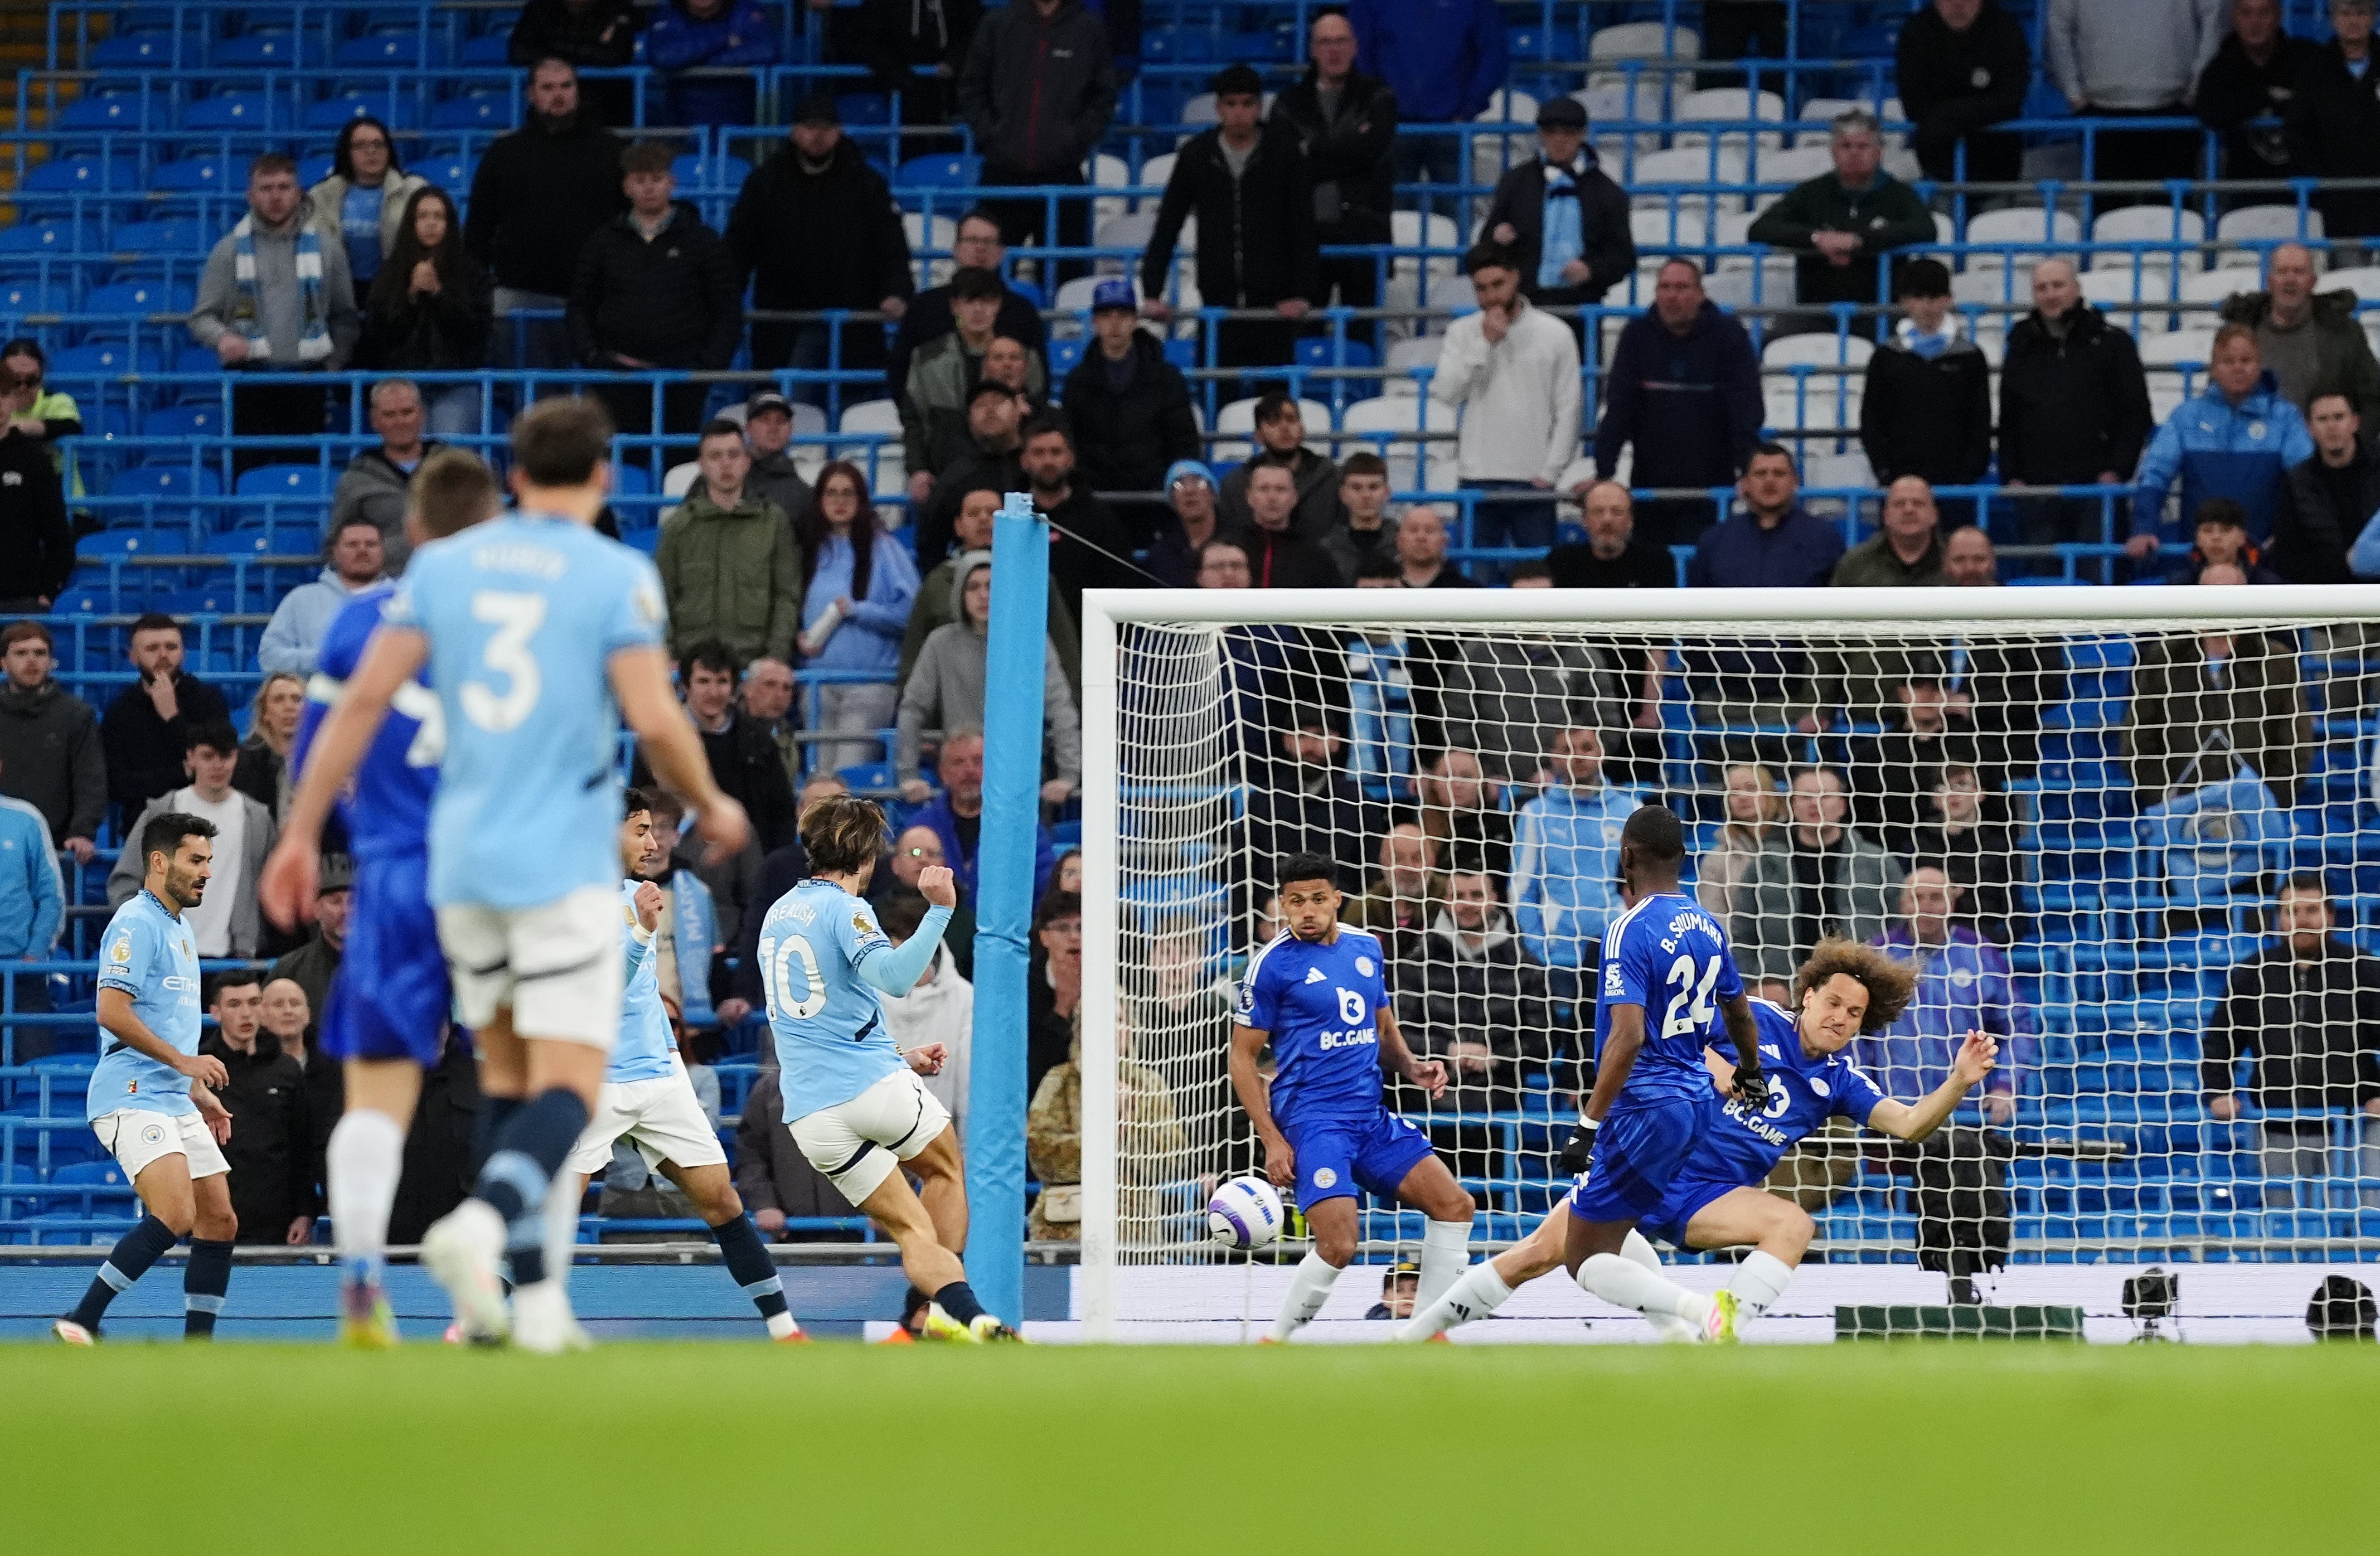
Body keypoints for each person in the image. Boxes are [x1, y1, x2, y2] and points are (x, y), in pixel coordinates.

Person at [260, 396, 754, 1353]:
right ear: (604, 475)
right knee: (566, 1084)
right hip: (557, 862)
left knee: (504, 1078)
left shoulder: (446, 569)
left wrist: (301, 830)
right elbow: (655, 716)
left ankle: (526, 1310)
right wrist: (711, 799)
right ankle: (485, 1231)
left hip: (453, 865)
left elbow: (360, 702)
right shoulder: (613, 572)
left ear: (517, 477)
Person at [1407, 941, 1998, 1341]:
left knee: (1792, 1225)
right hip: (1646, 1161)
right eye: (1833, 1002)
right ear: (1808, 995)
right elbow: (1671, 1034)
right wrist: (1725, 1072)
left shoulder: (1839, 1081)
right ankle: (1414, 1337)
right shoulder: (1754, 1018)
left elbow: (1910, 1124)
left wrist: (1959, 1080)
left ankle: (1721, 1331)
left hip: (1708, 1195)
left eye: (1854, 1013)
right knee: (1534, 1256)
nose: (1840, 1017)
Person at [270, 449, 470, 1347]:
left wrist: (307, 832)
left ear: (412, 529)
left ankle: (359, 1272)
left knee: (376, 1095)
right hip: (498, 874)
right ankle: (503, 1286)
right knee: (532, 1081)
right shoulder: (526, 616)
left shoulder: (361, 620)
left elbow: (317, 751)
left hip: (395, 877)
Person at [757, 796, 1016, 1338]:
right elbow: (896, 978)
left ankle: (956, 1319)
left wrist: (902, 1055)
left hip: (812, 1115)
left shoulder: (777, 914)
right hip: (871, 1086)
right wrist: (939, 909)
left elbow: (817, 1027)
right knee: (945, 1171)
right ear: (868, 856)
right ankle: (937, 1313)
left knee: (913, 1231)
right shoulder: (847, 908)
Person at [561, 791, 806, 1337]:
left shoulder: (637, 895)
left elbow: (641, 991)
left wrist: (671, 1056)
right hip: (596, 1081)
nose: (653, 843)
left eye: (653, 830)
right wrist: (642, 932)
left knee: (722, 1201)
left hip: (660, 1078)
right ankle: (477, 1324)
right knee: (552, 1218)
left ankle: (786, 1329)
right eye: (640, 830)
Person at [1232, 852, 1476, 1342]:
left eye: (1317, 899)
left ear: (1337, 899)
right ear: (1282, 903)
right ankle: (1273, 1340)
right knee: (1339, 1244)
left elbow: (1380, 1023)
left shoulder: (1366, 947)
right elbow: (1242, 1058)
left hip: (1369, 1116)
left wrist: (1410, 1065)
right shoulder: (1271, 966)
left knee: (1455, 1205)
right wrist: (1272, 1140)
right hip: (1314, 1121)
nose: (1307, 911)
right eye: (1295, 901)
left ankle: (1429, 1334)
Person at [52, 811, 238, 1344]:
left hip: (172, 1095)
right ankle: (82, 1319)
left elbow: (167, 1021)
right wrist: (185, 1064)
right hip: (130, 1091)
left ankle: (197, 1351)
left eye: (209, 861)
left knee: (219, 1219)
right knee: (175, 1212)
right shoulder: (136, 922)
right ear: (159, 861)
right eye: (195, 860)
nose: (206, 872)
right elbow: (111, 1011)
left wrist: (195, 1088)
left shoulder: (179, 926)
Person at [1865, 865, 2035, 1301]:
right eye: (1917, 897)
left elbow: (2016, 1024)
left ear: (1952, 901)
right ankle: (1962, 1264)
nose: (1926, 907)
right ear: (1902, 903)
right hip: (1894, 1115)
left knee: (1961, 1150)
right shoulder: (1877, 956)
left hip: (1968, 1114)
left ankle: (1961, 1263)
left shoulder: (1979, 954)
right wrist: (1862, 1094)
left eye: (1935, 897)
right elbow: (1855, 1035)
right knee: (1950, 1154)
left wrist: (2005, 1084)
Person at [2201, 875, 2380, 1204]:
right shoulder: (2253, 973)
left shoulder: (2364, 969)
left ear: (2331, 915)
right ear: (2279, 918)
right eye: (2292, 911)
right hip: (2277, 1130)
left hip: (2352, 1130)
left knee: (2353, 1227)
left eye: (2312, 910)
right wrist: (2218, 1091)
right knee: (2285, 1227)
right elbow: (2220, 1039)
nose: (2302, 920)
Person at [726, 96, 914, 398]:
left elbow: (890, 245)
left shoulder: (866, 183)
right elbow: (739, 247)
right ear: (795, 132)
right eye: (810, 127)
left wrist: (896, 291)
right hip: (784, 318)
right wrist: (727, 297)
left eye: (826, 127)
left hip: (854, 319)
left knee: (858, 406)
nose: (818, 135)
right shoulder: (764, 183)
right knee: (784, 407)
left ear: (839, 132)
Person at [1140, 62, 1318, 376]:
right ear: (1219, 108)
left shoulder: (1285, 153)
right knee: (1218, 396)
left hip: (1274, 310)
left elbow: (1303, 225)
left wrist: (1302, 293)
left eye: (1247, 104)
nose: (1239, 113)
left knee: (1273, 398)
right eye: (1231, 104)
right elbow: (1168, 223)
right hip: (1217, 306)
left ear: (1259, 107)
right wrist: (1152, 291)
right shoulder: (1196, 155)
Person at [568, 140, 743, 447]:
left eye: (657, 179)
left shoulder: (702, 241)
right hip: (618, 378)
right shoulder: (602, 243)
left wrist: (708, 366)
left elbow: (727, 309)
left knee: (679, 459)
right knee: (625, 460)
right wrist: (594, 358)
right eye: (640, 180)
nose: (649, 188)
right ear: (627, 187)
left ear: (672, 183)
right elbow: (580, 305)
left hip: (684, 379)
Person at [189, 153, 361, 466]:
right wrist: (223, 338)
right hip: (248, 380)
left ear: (298, 193)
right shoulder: (228, 251)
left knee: (302, 474)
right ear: (250, 195)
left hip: (307, 381)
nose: (276, 197)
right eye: (266, 188)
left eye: (284, 187)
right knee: (247, 473)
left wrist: (334, 364)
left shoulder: (327, 248)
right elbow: (202, 318)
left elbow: (345, 317)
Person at [463, 59, 628, 367]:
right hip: (520, 297)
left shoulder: (614, 152)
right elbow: (478, 231)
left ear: (578, 90)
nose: (558, 95)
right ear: (531, 94)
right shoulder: (503, 154)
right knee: (528, 396)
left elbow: (630, 223)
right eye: (548, 87)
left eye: (566, 86)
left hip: (597, 300)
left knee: (593, 397)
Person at [1591, 259, 1765, 551]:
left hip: (1712, 488)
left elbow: (1746, 411)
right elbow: (1619, 410)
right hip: (1649, 487)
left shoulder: (1730, 336)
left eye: (1682, 288)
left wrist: (1747, 471)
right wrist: (1604, 474)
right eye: (1665, 287)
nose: (1673, 296)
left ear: (1700, 294)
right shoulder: (1636, 336)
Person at [1429, 241, 1582, 568]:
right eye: (1481, 289)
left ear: (1516, 277)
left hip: (1534, 481)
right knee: (1474, 585)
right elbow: (1446, 393)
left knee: (1539, 584)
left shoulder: (1556, 333)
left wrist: (1550, 473)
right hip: (1476, 477)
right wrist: (1484, 343)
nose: (1490, 297)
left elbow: (1569, 409)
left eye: (1498, 284)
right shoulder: (1462, 332)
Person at [895, 553, 1083, 806]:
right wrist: (908, 774)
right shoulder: (940, 642)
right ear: (961, 594)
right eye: (973, 587)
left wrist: (1068, 775)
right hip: (960, 779)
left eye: (992, 586)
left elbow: (1060, 708)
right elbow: (913, 708)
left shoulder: (1032, 641)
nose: (983, 595)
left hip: (1020, 780)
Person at [1997, 258, 2154, 549]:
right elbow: (2009, 418)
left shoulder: (2114, 343)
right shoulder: (2020, 346)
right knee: (2038, 575)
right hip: (2036, 493)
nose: (2050, 294)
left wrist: (2117, 470)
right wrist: (2013, 476)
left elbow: (2135, 413)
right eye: (2042, 288)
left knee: (2097, 575)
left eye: (2058, 285)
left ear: (2077, 288)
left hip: (2098, 491)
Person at [958, 0, 1116, 283]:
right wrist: (993, 135)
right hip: (1002, 174)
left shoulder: (1088, 28)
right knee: (986, 281)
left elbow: (1103, 95)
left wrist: (1075, 140)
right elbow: (971, 87)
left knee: (1066, 279)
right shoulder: (997, 24)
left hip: (1063, 174)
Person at [2123, 578, 2313, 805]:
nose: (2220, 606)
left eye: (2229, 597)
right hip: (2178, 809)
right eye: (2212, 596)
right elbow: (2138, 741)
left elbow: (2295, 744)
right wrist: (2165, 798)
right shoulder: (2163, 658)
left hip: (2256, 812)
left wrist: (2266, 801)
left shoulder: (2277, 662)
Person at [2130, 322, 2315, 554]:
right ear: (2214, 369)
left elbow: (2307, 481)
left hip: (2266, 555)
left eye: (2246, 360)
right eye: (2228, 361)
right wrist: (2144, 527)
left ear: (2259, 366)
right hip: (2199, 556)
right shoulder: (2186, 417)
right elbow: (2155, 474)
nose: (2238, 368)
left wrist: (2288, 535)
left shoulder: (2285, 418)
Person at [1269, 10, 1398, 327]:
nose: (1334, 50)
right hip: (1305, 241)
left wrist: (1310, 149)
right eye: (1326, 43)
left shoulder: (1379, 96)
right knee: (1304, 339)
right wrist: (1350, 150)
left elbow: (1370, 153)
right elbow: (1284, 167)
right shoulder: (1289, 104)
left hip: (1365, 234)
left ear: (1355, 46)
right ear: (1313, 49)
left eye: (1341, 41)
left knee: (1364, 337)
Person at [111, 721, 278, 959]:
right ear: (191, 758)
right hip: (167, 956)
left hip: (234, 957)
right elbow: (125, 881)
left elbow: (271, 887)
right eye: (208, 756)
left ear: (236, 758)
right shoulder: (161, 813)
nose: (217, 765)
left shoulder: (258, 819)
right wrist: (146, 934)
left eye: (225, 756)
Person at [1747, 110, 1936, 321]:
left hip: (1882, 313)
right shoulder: (1811, 192)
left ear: (1878, 152)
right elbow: (1760, 229)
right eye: (1846, 146)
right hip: (1816, 312)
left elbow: (1926, 229)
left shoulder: (1899, 194)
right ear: (1834, 152)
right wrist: (1817, 239)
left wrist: (1860, 241)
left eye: (1862, 146)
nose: (1854, 153)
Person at [900, 482, 1083, 697]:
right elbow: (913, 654)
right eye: (973, 513)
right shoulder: (938, 582)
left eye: (993, 512)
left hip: (1022, 699)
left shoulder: (1034, 578)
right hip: (953, 706)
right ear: (958, 526)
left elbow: (1065, 649)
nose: (984, 519)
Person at [796, 459, 919, 775]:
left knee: (848, 780)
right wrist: (799, 639)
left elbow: (911, 615)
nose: (839, 501)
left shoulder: (886, 548)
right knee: (818, 781)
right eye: (831, 493)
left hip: (870, 685)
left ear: (861, 499)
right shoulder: (809, 550)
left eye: (848, 493)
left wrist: (858, 611)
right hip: (818, 685)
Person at [1732, 765, 1904, 989]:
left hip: (1858, 991)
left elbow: (1901, 930)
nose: (1815, 804)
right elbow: (1742, 933)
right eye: (1806, 797)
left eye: (1825, 796)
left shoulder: (1878, 863)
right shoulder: (1765, 864)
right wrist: (1757, 984)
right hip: (1784, 994)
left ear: (1842, 805)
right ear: (1793, 805)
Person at [1060, 278, 1200, 544]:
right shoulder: (1077, 382)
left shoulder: (1166, 378)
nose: (1115, 324)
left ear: (1135, 320)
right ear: (1094, 322)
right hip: (1095, 502)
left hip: (1154, 503)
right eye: (1106, 315)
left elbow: (1184, 441)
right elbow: (1072, 443)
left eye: (1123, 315)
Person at [656, 420, 802, 666]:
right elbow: (660, 597)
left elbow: (786, 596)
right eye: (715, 456)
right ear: (702, 465)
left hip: (755, 669)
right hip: (693, 671)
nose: (726, 464)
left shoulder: (773, 523)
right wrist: (668, 655)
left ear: (747, 462)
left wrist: (776, 657)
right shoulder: (678, 528)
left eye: (733, 455)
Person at [638, 639, 798, 855]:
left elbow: (782, 813)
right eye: (703, 681)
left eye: (722, 681)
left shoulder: (759, 742)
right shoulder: (659, 741)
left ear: (733, 688)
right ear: (685, 686)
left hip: (748, 861)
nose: (713, 692)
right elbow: (640, 806)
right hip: (675, 859)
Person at [2044, 0, 2225, 190]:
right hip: (2103, 112)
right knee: (2112, 204)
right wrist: (2074, 93)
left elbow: (2214, 17)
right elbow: (2058, 26)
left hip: (2173, 109)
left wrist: (2196, 89)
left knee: (2170, 203)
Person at [1510, 725, 1641, 982]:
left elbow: (1642, 886)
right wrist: (1539, 948)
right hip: (1555, 956)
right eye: (1568, 750)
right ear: (1554, 757)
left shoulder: (1631, 810)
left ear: (1601, 753)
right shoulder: (1536, 813)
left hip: (1615, 951)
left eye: (1587, 748)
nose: (1578, 756)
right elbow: (1521, 887)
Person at [1479, 95, 1634, 308]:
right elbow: (1487, 242)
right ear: (1541, 134)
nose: (1559, 140)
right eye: (1551, 132)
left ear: (1583, 134)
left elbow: (1623, 258)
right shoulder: (1515, 183)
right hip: (1523, 304)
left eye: (1569, 132)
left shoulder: (1607, 192)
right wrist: (1496, 238)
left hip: (1582, 307)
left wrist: (1591, 271)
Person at [1860, 260, 1992, 510]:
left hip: (1955, 489)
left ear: (1948, 300)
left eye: (1935, 297)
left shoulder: (1970, 357)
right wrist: (1886, 473)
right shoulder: (1886, 356)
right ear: (1906, 301)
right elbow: (1872, 419)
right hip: (1898, 485)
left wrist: (1966, 478)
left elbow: (1979, 421)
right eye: (1919, 297)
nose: (1928, 306)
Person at [363, 187, 493, 439]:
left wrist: (438, 294)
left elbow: (477, 333)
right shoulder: (390, 272)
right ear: (411, 223)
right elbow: (379, 334)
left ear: (450, 223)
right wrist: (411, 296)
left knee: (448, 456)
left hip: (456, 383)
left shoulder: (472, 272)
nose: (431, 223)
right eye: (422, 216)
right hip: (402, 385)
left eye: (438, 216)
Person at [198, 971, 316, 1247]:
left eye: (253, 1003)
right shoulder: (200, 1071)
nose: (246, 1013)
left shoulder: (286, 1069)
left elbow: (303, 1146)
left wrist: (305, 1213)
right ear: (215, 1012)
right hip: (214, 1219)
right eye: (234, 1004)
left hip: (277, 1223)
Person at [1347, 0, 1507, 195]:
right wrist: (1378, 108)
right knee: (1392, 207)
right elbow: (1359, 53)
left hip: (1450, 125)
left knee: (1452, 206)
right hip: (1393, 125)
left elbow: (1494, 53)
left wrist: (1469, 108)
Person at [901, 269, 1044, 481]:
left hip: (1011, 473)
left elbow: (1038, 413)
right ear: (955, 306)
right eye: (969, 301)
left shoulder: (1024, 357)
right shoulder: (926, 359)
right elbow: (914, 421)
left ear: (998, 305)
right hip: (946, 473)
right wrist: (917, 469)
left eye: (986, 301)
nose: (978, 309)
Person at [2217, 244, 2380, 426]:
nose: (2290, 280)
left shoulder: (2344, 331)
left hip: (2321, 443)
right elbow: (2216, 395)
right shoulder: (2241, 329)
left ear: (2313, 281)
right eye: (2282, 272)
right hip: (2252, 440)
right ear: (2270, 281)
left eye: (2299, 272)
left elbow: (2373, 396)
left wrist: (2355, 440)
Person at [887, 209, 1044, 395]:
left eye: (988, 242)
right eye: (972, 240)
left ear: (1001, 253)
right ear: (957, 249)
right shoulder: (924, 308)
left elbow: (1038, 381)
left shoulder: (1022, 312)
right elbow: (901, 375)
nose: (980, 248)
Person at [906, 728, 1057, 907]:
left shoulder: (1021, 828)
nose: (969, 770)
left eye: (979, 761)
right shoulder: (922, 826)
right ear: (944, 773)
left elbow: (1044, 884)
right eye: (959, 762)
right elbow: (907, 885)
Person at [100, 615, 232, 818]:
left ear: (183, 654)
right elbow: (117, 785)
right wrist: (181, 774)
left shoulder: (209, 700)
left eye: (171, 647)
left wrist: (172, 718)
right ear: (133, 657)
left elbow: (215, 767)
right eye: (152, 648)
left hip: (205, 820)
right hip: (144, 824)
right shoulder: (119, 711)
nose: (163, 655)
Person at [878, 888, 975, 1144]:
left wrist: (966, 1153)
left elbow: (968, 1088)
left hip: (939, 1145)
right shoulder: (866, 997)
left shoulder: (964, 998)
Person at [1019, 415, 1132, 636]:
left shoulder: (1100, 518)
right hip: (1022, 636)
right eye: (1038, 453)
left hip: (1089, 639)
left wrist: (1118, 639)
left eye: (1056, 452)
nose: (1048, 461)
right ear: (1024, 460)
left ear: (1071, 458)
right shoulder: (1010, 518)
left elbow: (1121, 585)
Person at [1896, 0, 2032, 183]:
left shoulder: (2006, 29)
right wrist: (1978, 111)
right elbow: (1914, 106)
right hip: (1937, 171)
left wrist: (1945, 116)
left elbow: (2010, 101)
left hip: (1998, 169)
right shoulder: (1916, 31)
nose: (1958, 4)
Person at [0, 623, 102, 864]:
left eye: (40, 653)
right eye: (21, 653)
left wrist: (82, 831)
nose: (32, 660)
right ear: (3, 663)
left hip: (55, 847)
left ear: (50, 661)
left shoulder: (77, 714)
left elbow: (90, 778)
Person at [1245, 718, 1385, 889]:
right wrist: (1267, 901)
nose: (1310, 747)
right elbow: (1242, 871)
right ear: (1287, 741)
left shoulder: (1359, 803)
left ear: (1336, 742)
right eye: (1302, 736)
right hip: (1276, 904)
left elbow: (1371, 875)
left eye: (1319, 735)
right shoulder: (1262, 802)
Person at [306, 116, 426, 312]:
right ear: (347, 152)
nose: (371, 152)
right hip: (339, 294)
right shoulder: (323, 194)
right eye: (360, 145)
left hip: (399, 294)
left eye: (378, 144)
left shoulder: (414, 190)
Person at [2196, 0, 2323, 185]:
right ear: (2234, 18)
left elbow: (2329, 102)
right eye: (2246, 14)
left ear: (2279, 16)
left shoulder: (2307, 59)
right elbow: (2209, 112)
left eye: (2264, 13)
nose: (2255, 23)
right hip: (2247, 190)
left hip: (2304, 188)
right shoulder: (2222, 68)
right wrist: (2268, 96)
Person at [2286, 0, 2380, 246]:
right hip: (2336, 198)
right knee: (2346, 266)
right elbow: (2298, 130)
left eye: (2361, 13)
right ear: (2333, 19)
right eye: (2345, 13)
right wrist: (2320, 182)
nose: (2353, 21)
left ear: (2373, 18)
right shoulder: (2314, 69)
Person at [331, 379, 444, 576]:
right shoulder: (357, 478)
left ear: (422, 414)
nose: (400, 422)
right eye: (389, 415)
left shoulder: (454, 469)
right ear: (375, 421)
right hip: (382, 582)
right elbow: (336, 545)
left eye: (407, 412)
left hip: (447, 578)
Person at [913, 380, 1029, 563]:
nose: (990, 410)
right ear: (969, 421)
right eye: (980, 405)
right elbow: (930, 541)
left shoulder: (1039, 463)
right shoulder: (956, 477)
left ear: (1018, 411)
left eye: (999, 402)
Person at [259, 518, 388, 675]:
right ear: (335, 552)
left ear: (383, 551)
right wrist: (327, 660)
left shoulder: (403, 599)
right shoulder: (301, 599)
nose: (362, 551)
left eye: (371, 544)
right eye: (352, 544)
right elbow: (269, 657)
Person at [0, 747, 62, 1064]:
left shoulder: (26, 819)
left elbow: (51, 896)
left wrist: (35, 954)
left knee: (34, 1069)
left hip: (24, 972)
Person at [1216, 394, 1344, 536]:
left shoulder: (1333, 478)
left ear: (1302, 430)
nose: (1284, 428)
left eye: (1291, 420)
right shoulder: (1236, 486)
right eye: (1273, 421)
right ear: (1258, 435)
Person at [0, 365, 72, 610]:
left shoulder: (33, 458)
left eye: (4, 394)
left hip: (21, 599)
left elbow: (57, 534)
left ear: (14, 399)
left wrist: (47, 592)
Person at [507, 0, 642, 127]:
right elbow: (519, 53)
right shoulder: (541, 7)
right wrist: (587, 51)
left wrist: (555, 51)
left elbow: (614, 56)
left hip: (606, 108)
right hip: (548, 120)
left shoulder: (618, 7)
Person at [2291, 392, 2380, 583]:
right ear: (2310, 428)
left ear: (2355, 423)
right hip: (2322, 592)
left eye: (2339, 417)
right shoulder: (2296, 483)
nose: (2331, 426)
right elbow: (2290, 556)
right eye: (2322, 419)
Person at [644, 0, 777, 127]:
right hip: (682, 122)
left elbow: (766, 51)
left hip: (740, 118)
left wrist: (695, 60)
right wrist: (724, 39)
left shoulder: (744, 9)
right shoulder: (669, 12)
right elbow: (663, 56)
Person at [1548, 481, 1672, 589]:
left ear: (1630, 520)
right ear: (1585, 520)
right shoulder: (1563, 563)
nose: (1607, 520)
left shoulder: (1656, 562)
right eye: (1598, 512)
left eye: (1617, 512)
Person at [1242, 462, 1347, 588]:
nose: (1272, 498)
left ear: (1295, 497)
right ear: (1249, 497)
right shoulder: (1232, 548)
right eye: (1264, 489)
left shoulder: (1315, 557)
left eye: (1281, 489)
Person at [1834, 476, 1948, 590]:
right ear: (1886, 516)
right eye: (1899, 504)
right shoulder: (1855, 564)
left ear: (1935, 515)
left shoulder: (1954, 559)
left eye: (1918, 503)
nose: (1909, 510)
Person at [1145, 459, 1237, 588]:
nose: (1189, 491)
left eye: (1200, 483)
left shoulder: (1240, 543)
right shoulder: (1161, 556)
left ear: (1213, 494)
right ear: (1172, 500)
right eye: (1178, 485)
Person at [1317, 452, 1398, 580]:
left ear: (1387, 493)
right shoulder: (1327, 550)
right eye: (1356, 488)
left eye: (1374, 487)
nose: (1366, 495)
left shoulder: (1403, 546)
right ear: (1343, 495)